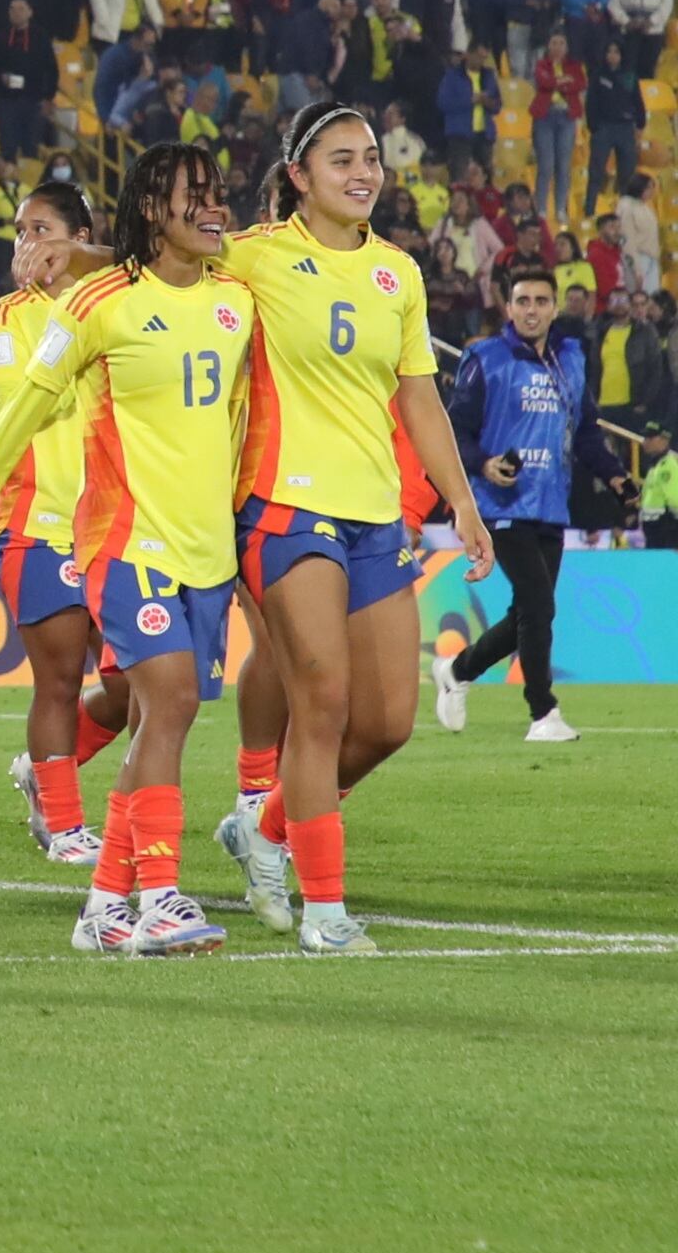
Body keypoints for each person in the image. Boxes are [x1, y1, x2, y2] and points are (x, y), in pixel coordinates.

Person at [0, 142, 257, 958]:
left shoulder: (242, 298)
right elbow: (20, 414)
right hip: (121, 539)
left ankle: (104, 905)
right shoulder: (95, 307)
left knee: (156, 714)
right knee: (169, 703)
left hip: (205, 551)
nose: (216, 207)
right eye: (196, 195)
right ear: (152, 208)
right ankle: (162, 897)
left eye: (219, 193)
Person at [211, 102, 496, 951]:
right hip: (283, 507)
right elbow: (160, 267)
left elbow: (418, 395)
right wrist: (67, 257)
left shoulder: (398, 275)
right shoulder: (255, 256)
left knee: (386, 723)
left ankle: (266, 829)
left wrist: (463, 502)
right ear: (298, 177)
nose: (363, 172)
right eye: (341, 160)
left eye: (370, 157)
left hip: (376, 515)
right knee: (324, 703)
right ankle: (325, 913)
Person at [0, 185, 117, 865]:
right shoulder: (6, 317)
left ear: (79, 240)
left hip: (118, 521)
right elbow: (19, 405)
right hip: (40, 520)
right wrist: (71, 324)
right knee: (58, 680)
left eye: (42, 230)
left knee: (133, 685)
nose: (26, 245)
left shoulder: (119, 299)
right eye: (20, 231)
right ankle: (64, 826)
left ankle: (42, 773)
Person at [435, 267, 584, 739]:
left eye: (541, 301)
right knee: (538, 608)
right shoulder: (486, 358)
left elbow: (588, 426)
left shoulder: (571, 360)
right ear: (509, 308)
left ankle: (457, 671)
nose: (532, 309)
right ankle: (543, 712)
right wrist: (483, 463)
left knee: (528, 612)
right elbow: (455, 428)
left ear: (554, 308)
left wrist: (618, 477)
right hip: (500, 507)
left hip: (551, 504)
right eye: (523, 301)